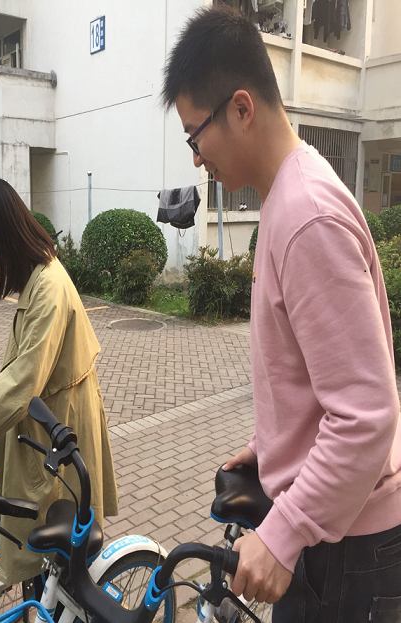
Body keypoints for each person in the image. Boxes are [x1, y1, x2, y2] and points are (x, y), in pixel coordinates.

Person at [163, 6, 401, 622]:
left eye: (195, 135)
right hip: (336, 529)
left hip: (347, 551)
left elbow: (367, 415)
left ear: (242, 109)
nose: (196, 158)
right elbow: (314, 379)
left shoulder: (306, 217)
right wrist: (271, 445)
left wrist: (284, 532)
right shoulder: (288, 196)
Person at [0, 178, 118, 586]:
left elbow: (21, 380)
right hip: (47, 420)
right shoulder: (38, 276)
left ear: (7, 236)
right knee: (47, 548)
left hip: (60, 425)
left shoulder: (48, 288)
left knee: (58, 554)